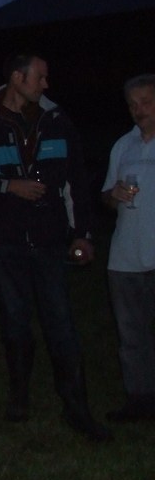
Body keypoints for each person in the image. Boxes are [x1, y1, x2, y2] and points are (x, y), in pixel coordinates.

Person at [0, 53, 111, 440]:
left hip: (49, 240)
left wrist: (82, 234)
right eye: (40, 77)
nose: (45, 84)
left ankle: (76, 407)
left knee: (61, 323)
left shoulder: (57, 121)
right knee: (15, 320)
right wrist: (7, 186)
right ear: (17, 78)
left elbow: (76, 180)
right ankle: (19, 397)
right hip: (4, 241)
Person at [100, 74, 155, 422]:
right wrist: (114, 195)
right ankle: (140, 400)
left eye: (146, 102)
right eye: (133, 105)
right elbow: (106, 197)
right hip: (125, 257)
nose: (139, 110)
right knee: (132, 335)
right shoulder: (124, 145)